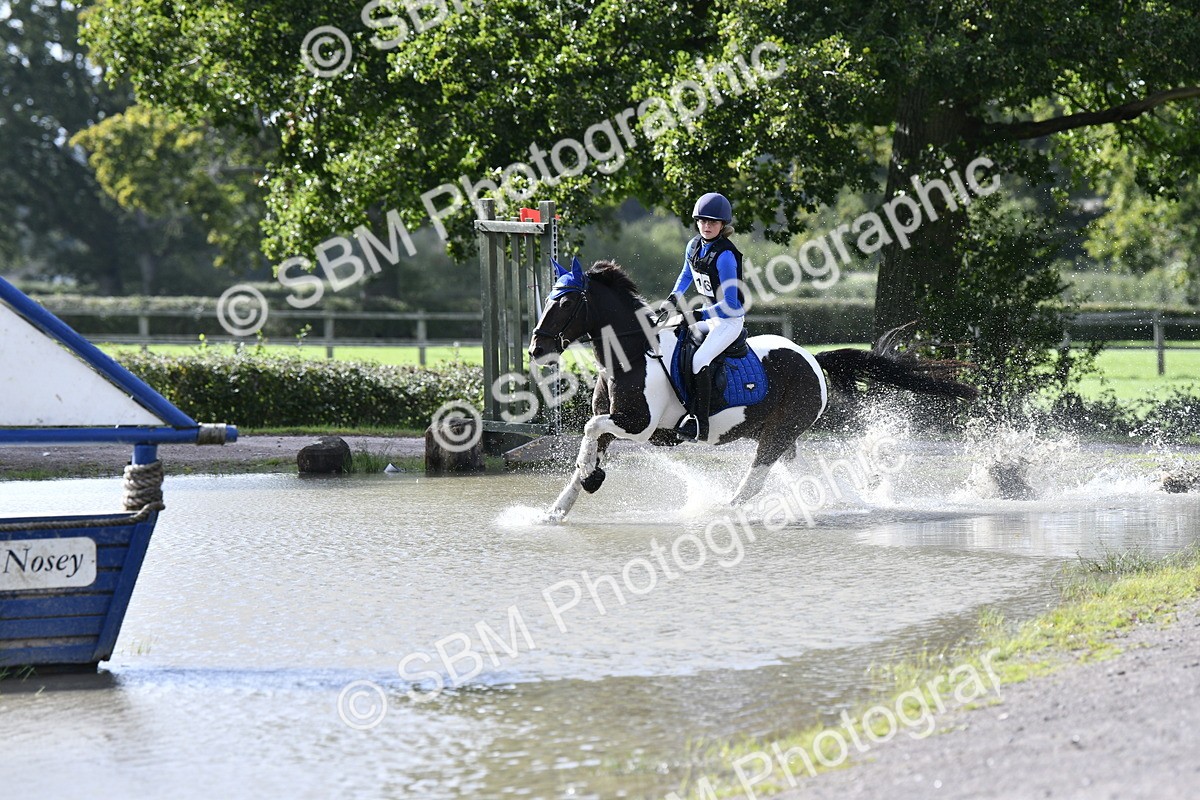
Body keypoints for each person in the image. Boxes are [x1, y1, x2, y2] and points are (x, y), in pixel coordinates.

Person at [658, 192, 745, 442]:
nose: (707, 226)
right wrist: (673, 298)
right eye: (703, 221)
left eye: (713, 222)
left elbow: (731, 304)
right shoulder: (694, 245)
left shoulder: (725, 256)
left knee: (699, 360)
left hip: (729, 320)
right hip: (710, 316)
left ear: (722, 225)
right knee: (673, 341)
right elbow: (686, 274)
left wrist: (697, 314)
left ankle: (700, 422)